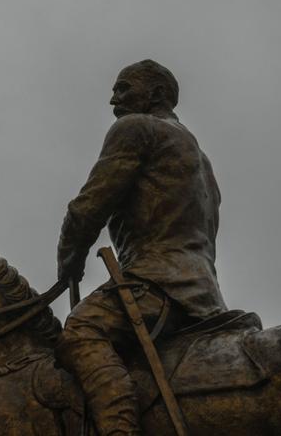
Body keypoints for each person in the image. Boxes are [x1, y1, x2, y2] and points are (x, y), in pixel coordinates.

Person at [55, 60, 228, 436]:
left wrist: (69, 260)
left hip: (157, 283)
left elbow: (88, 208)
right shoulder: (199, 157)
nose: (113, 99)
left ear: (156, 94)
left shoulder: (135, 128)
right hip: (203, 293)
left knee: (81, 332)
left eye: (123, 88)